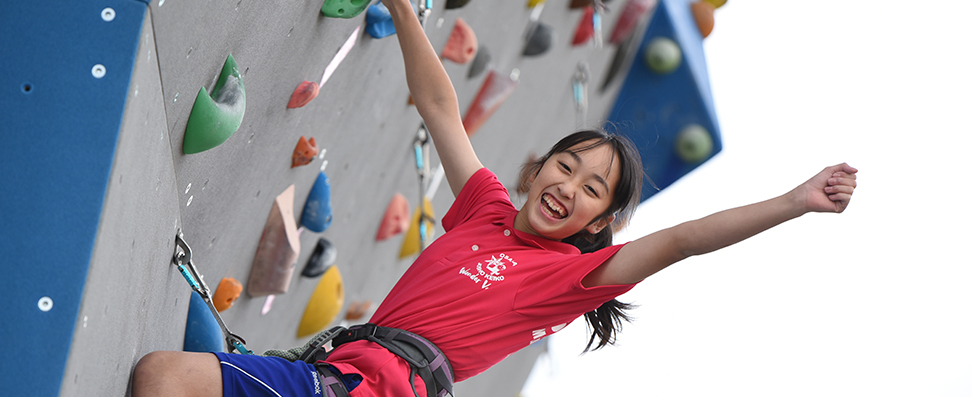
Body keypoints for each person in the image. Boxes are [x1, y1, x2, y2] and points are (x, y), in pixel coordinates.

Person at [131, 0, 858, 396]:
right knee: (162, 377)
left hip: (387, 391)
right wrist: (404, 11)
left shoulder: (569, 279)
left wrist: (792, 201)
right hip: (335, 370)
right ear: (540, 168)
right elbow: (440, 106)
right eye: (566, 166)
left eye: (591, 188)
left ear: (600, 220)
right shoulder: (484, 207)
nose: (568, 186)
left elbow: (687, 236)